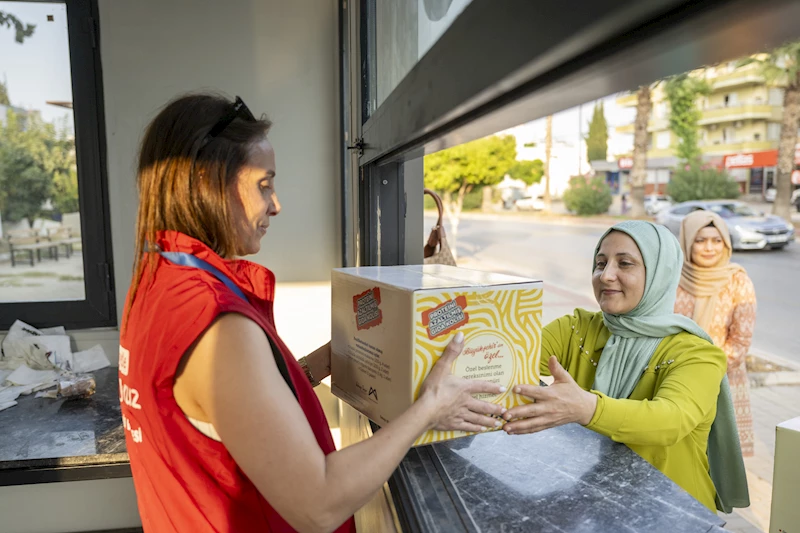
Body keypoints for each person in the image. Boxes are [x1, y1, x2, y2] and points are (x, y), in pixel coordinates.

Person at [119, 93, 506, 532]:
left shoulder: (156, 281)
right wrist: (429, 408)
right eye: (264, 184)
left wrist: (341, 355)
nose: (276, 204)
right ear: (208, 182)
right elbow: (318, 504)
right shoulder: (216, 322)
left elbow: (235, 408)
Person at [500, 220, 749, 513]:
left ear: (660, 273)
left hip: (674, 511)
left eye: (625, 264)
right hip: (595, 497)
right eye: (600, 263)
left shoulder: (697, 354)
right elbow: (507, 358)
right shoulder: (578, 328)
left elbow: (672, 419)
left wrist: (587, 408)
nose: (606, 276)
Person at [674, 210, 756, 457]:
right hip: (675, 377)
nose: (709, 248)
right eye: (700, 240)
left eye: (716, 240)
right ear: (687, 242)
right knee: (679, 453)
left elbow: (740, 341)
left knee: (718, 458)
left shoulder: (737, 281)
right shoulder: (673, 278)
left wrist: (706, 371)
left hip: (722, 379)